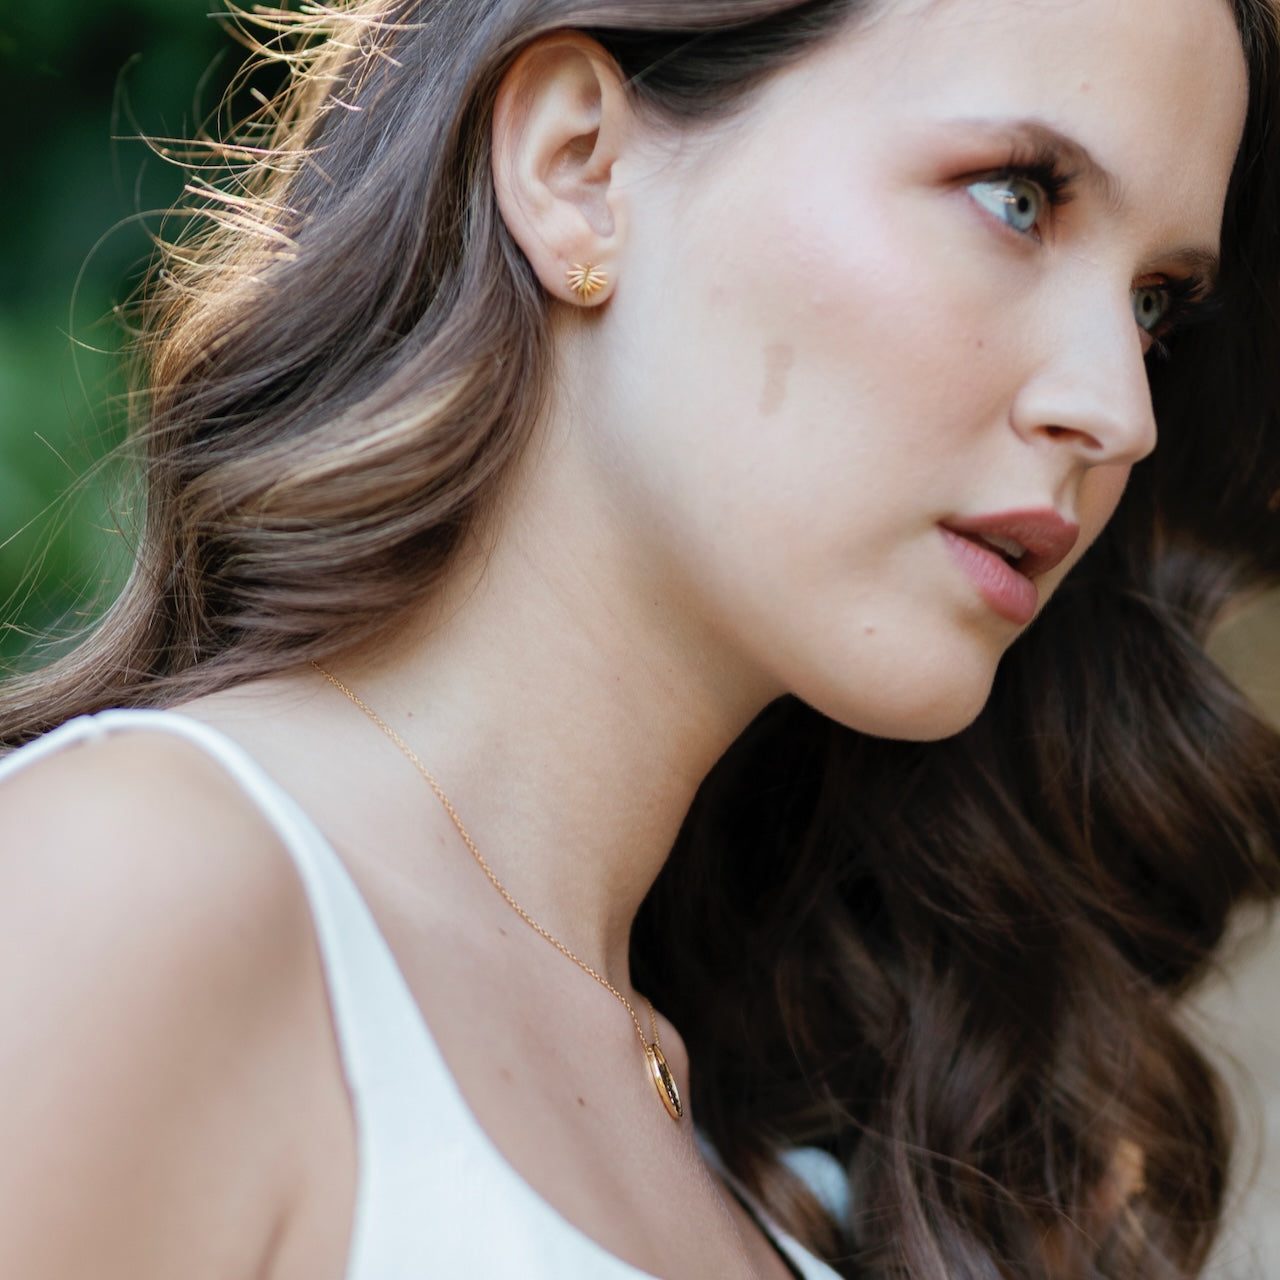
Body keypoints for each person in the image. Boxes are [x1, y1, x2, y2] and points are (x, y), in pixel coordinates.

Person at [1, 0, 1279, 1276]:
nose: (1117, 409)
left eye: (1153, 305)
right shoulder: (146, 889)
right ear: (578, 171)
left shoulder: (794, 1127)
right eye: (1016, 197)